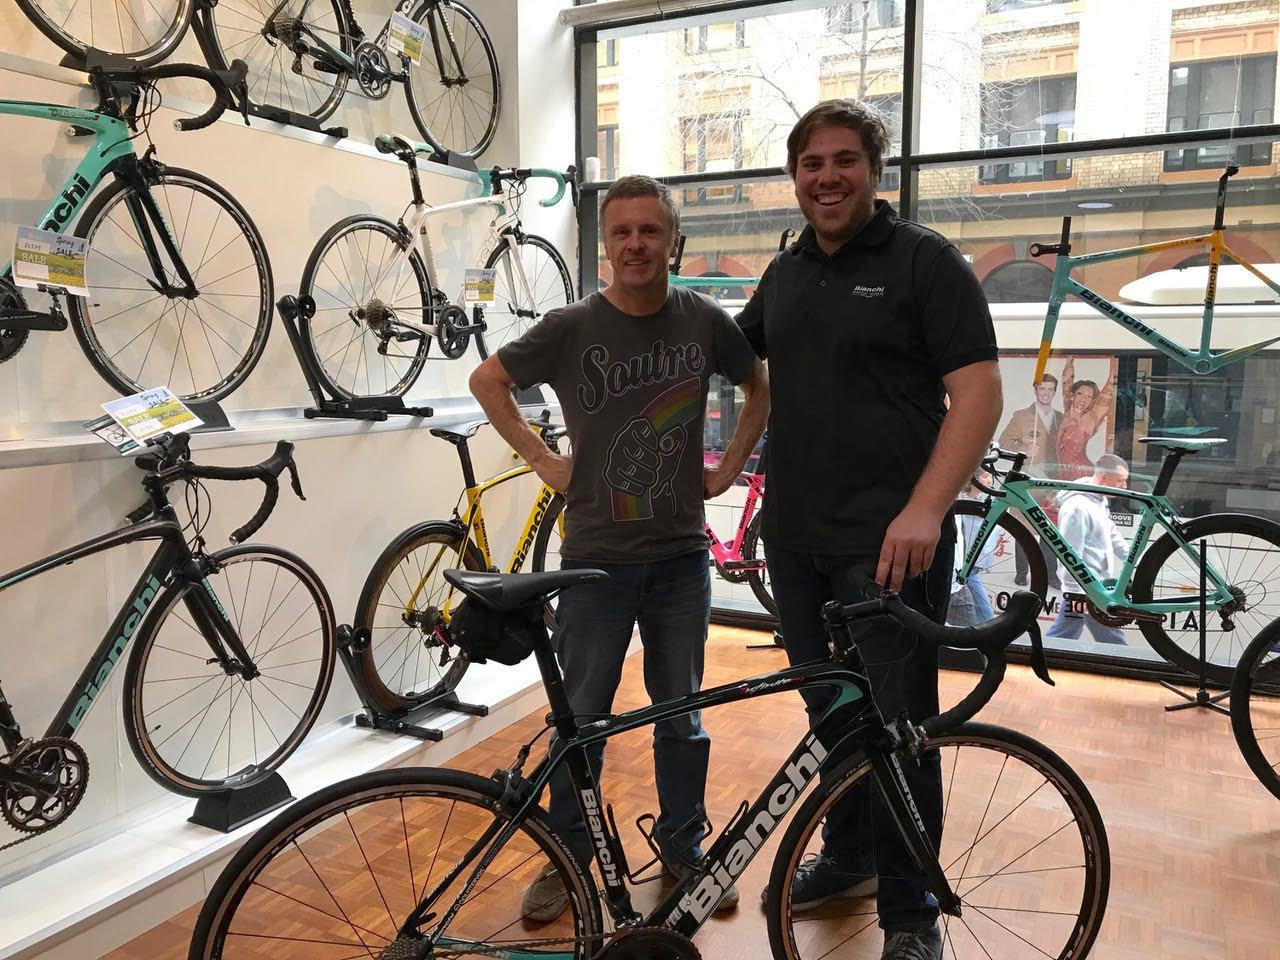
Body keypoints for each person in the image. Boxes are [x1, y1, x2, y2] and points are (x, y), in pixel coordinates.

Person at [736, 99, 1002, 960]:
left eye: (844, 160)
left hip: (890, 547)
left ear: (874, 171)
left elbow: (979, 395)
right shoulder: (786, 272)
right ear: (795, 176)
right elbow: (728, 356)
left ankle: (911, 913)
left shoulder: (925, 262)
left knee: (900, 727)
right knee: (834, 715)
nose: (827, 177)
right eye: (811, 164)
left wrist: (927, 507)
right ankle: (849, 855)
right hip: (796, 543)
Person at [469, 174, 769, 922]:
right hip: (594, 563)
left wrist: (727, 470)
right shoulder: (571, 326)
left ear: (674, 241)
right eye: (622, 233)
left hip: (679, 560)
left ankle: (683, 849)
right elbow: (488, 380)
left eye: (650, 231)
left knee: (682, 718)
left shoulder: (704, 321)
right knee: (582, 724)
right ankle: (566, 860)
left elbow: (758, 386)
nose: (636, 244)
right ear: (606, 245)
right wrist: (543, 459)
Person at [1047, 454, 1130, 645]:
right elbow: (1069, 553)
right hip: (1087, 589)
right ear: (1103, 478)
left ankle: (1040, 657)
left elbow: (1112, 534)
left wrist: (1134, 559)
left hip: (1093, 587)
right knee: (1112, 639)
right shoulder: (1077, 507)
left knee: (1064, 635)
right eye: (1120, 481)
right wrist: (1074, 592)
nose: (1125, 486)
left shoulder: (1098, 500)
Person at [998, 373, 1063, 588]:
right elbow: (1004, 442)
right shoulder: (1021, 416)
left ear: (1055, 392)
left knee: (1049, 529)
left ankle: (1051, 574)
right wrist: (1024, 448)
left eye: (1050, 389)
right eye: (1042, 389)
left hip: (1052, 482)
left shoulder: (1061, 418)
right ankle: (1022, 572)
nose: (1046, 393)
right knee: (1023, 528)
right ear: (1035, 390)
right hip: (1028, 479)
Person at [1056, 357, 1114, 482]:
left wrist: (1115, 367)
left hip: (1081, 474)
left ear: (1092, 401)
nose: (1083, 399)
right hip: (1063, 472)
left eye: (1089, 396)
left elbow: (1107, 393)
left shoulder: (1091, 418)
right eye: (1080, 393)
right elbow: (1067, 380)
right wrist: (1070, 358)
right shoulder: (1068, 411)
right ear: (1072, 395)